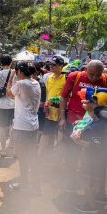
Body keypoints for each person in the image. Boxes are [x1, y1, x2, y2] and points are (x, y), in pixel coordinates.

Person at [59, 60, 107, 191]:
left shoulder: (105, 79)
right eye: (91, 74)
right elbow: (63, 97)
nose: (95, 78)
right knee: (72, 152)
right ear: (85, 69)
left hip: (95, 124)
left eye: (98, 75)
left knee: (91, 156)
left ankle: (90, 188)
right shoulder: (75, 76)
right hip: (73, 121)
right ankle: (72, 182)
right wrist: (62, 118)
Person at [7, 62, 41, 193]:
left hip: (22, 126)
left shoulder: (21, 83)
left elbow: (9, 93)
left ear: (20, 72)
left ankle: (25, 184)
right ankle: (36, 186)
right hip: (33, 124)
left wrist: (11, 77)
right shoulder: (35, 83)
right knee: (32, 156)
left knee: (22, 157)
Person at [73, 104, 107, 213]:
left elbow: (93, 145)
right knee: (99, 178)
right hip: (102, 157)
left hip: (92, 157)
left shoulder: (93, 127)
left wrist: (78, 141)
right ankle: (100, 197)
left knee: (85, 179)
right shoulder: (102, 122)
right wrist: (81, 123)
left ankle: (92, 206)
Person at [38, 56, 65, 158]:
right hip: (49, 113)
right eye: (51, 64)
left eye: (54, 64)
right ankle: (40, 156)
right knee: (46, 134)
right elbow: (48, 94)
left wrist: (54, 100)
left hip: (61, 113)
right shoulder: (49, 78)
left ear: (61, 66)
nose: (51, 66)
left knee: (59, 136)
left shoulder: (66, 79)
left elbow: (67, 96)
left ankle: (56, 158)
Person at [0, 54, 15, 157]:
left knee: (2, 129)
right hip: (13, 104)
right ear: (11, 62)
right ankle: (12, 147)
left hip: (1, 105)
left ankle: (3, 150)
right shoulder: (15, 73)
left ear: (1, 63)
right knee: (13, 127)